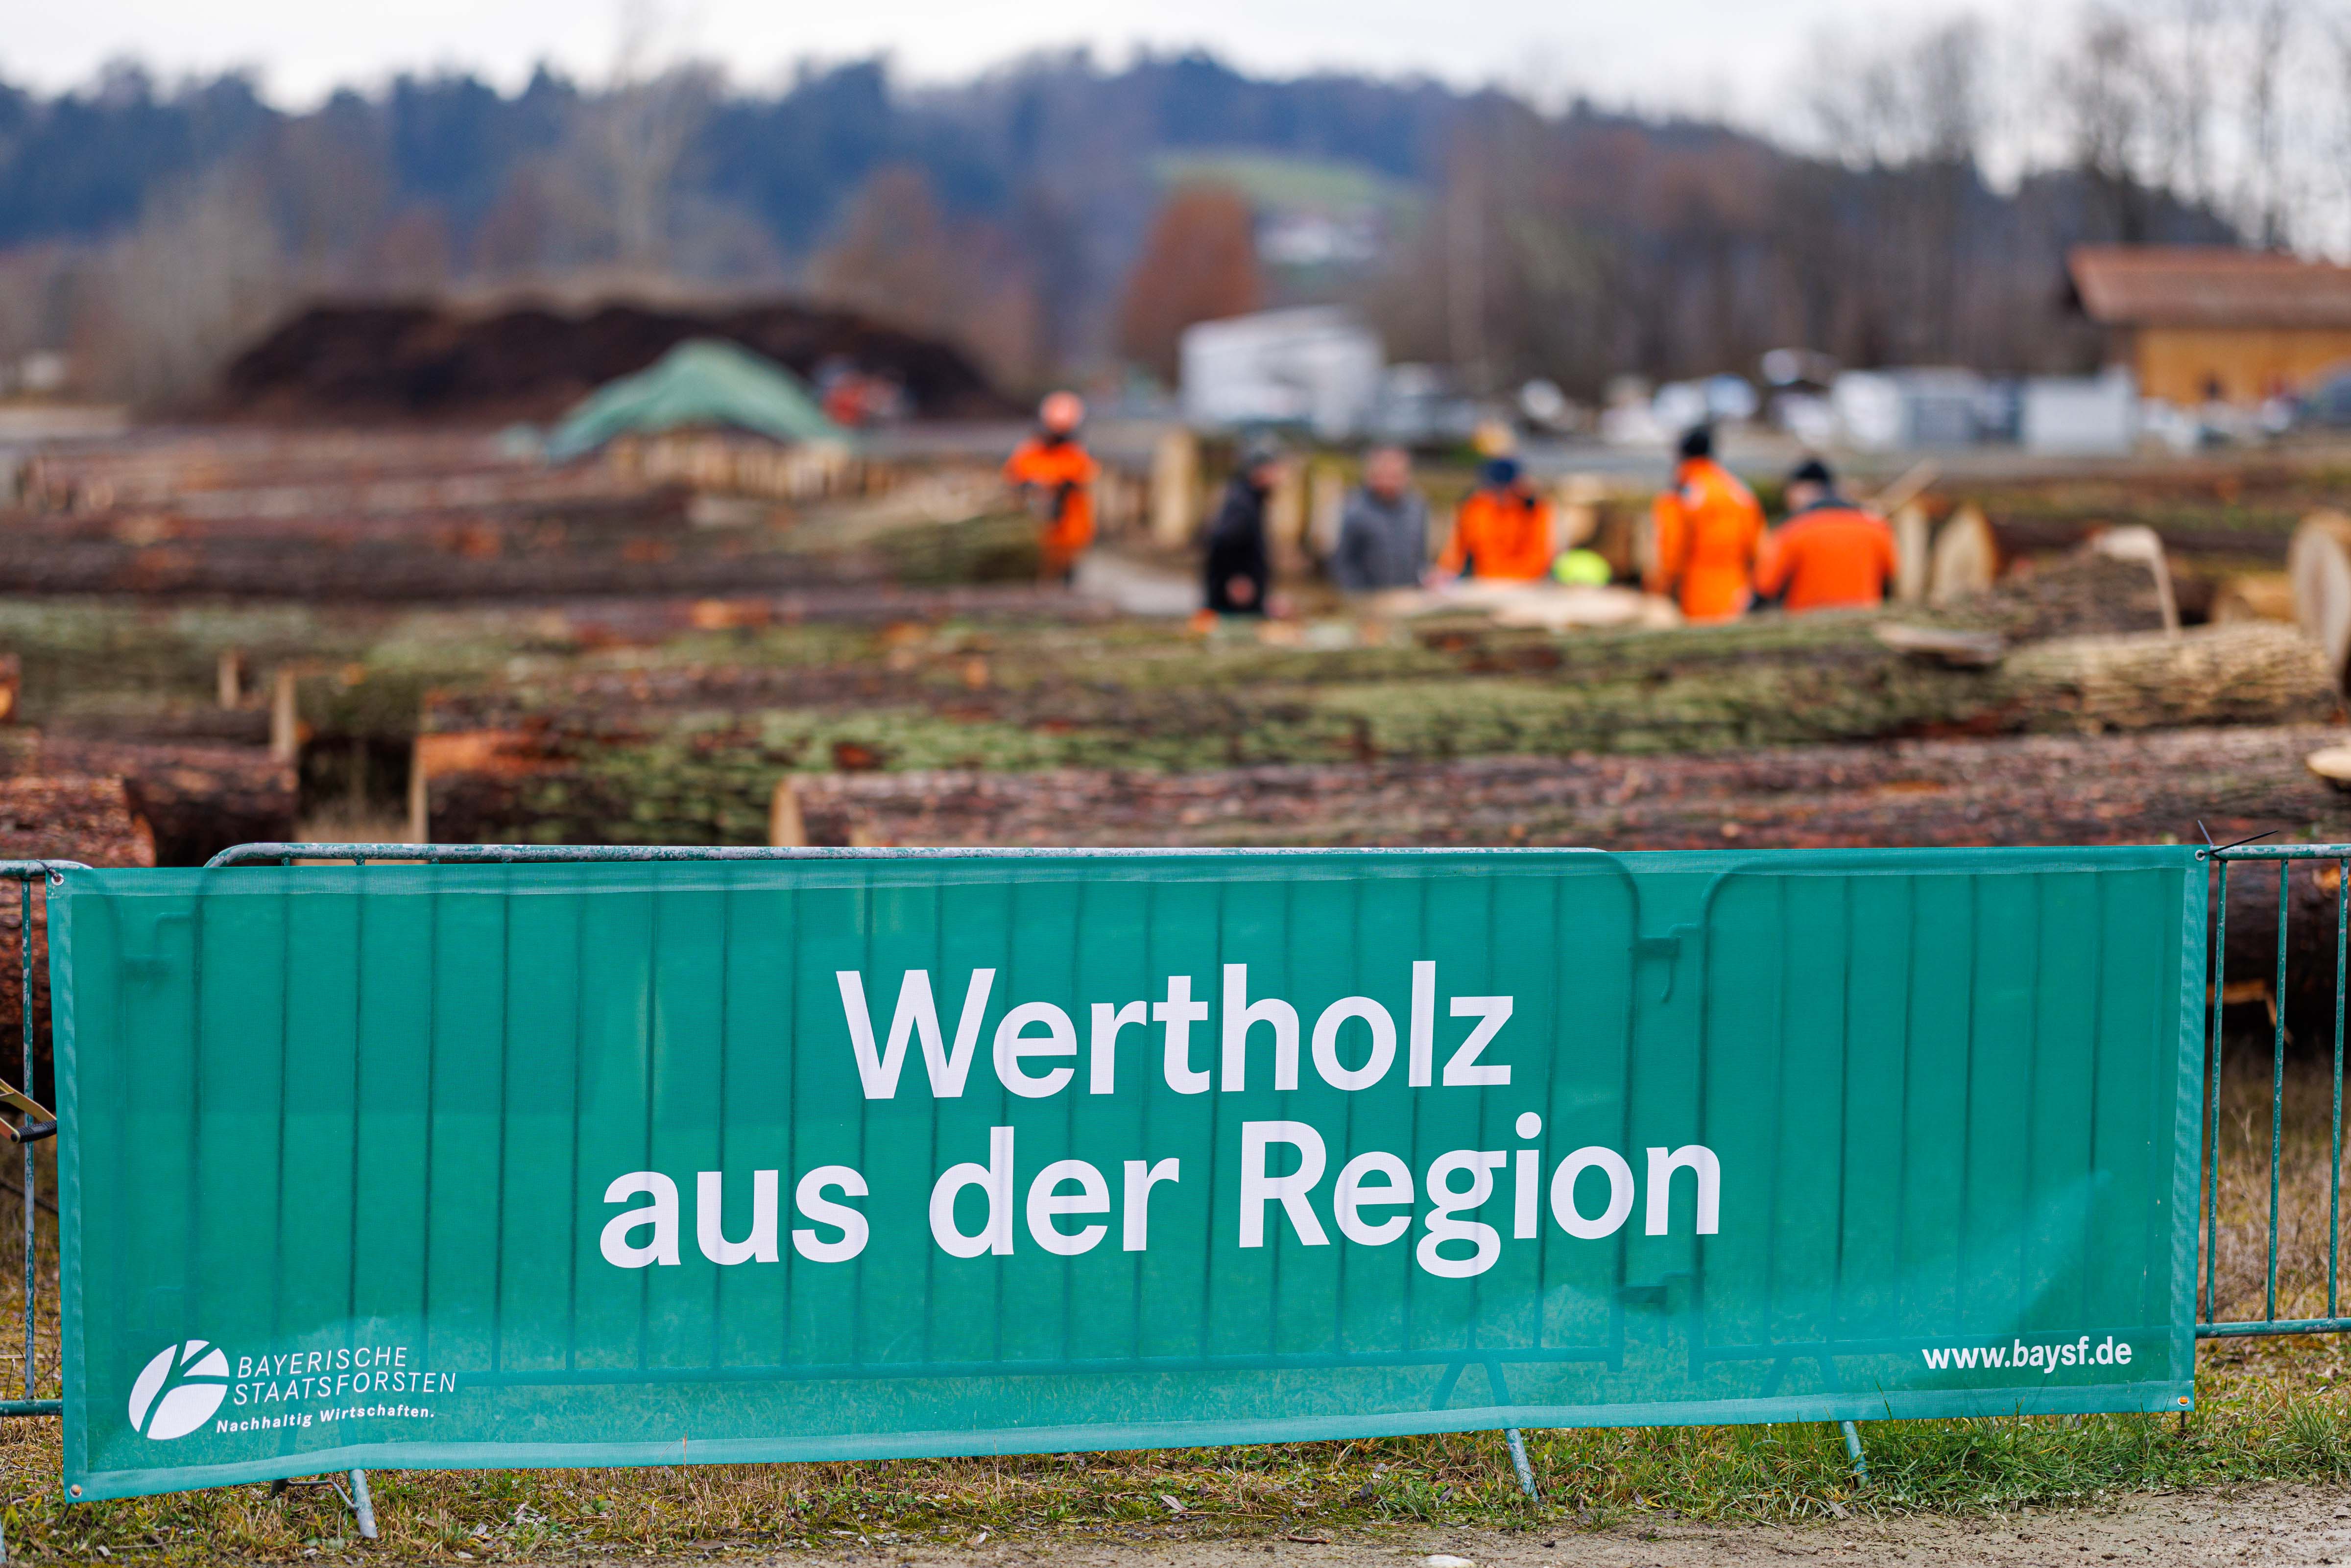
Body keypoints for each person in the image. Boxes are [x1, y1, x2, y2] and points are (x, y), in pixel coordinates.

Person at [1645, 425, 1765, 621]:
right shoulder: (1738, 492)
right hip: (1736, 591)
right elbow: (1758, 548)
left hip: (1696, 593)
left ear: (1681, 455)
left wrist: (1658, 591)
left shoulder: (1680, 494)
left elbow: (1670, 551)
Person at [1752, 457, 1898, 613]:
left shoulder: (1792, 530)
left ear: (1801, 490)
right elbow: (1889, 580)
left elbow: (1765, 588)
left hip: (1805, 629)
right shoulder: (1876, 527)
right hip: (1863, 625)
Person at [1002, 391, 1098, 582]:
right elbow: (1013, 481)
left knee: (1065, 576)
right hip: (1033, 538)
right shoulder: (1029, 453)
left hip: (1067, 536)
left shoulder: (1076, 456)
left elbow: (1081, 481)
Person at [1203, 438, 1288, 616]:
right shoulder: (1242, 503)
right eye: (1275, 469)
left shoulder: (1252, 499)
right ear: (1259, 470)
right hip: (1233, 601)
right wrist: (1237, 578)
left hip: (1246, 598)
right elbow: (1222, 542)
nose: (1280, 476)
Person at [1434, 456, 1555, 581]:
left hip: (1525, 582)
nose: (1499, 494)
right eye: (1495, 488)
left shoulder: (1535, 509)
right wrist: (1444, 572)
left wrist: (1513, 577)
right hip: (1484, 581)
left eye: (1504, 488)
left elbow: (1540, 555)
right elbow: (1456, 551)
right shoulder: (1475, 508)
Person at [1331, 446, 1429, 591]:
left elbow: (1420, 555)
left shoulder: (1417, 508)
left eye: (1395, 476)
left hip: (1407, 597)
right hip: (1369, 600)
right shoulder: (1355, 510)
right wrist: (1357, 594)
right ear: (1370, 476)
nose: (1389, 482)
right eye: (1383, 475)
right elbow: (1342, 562)